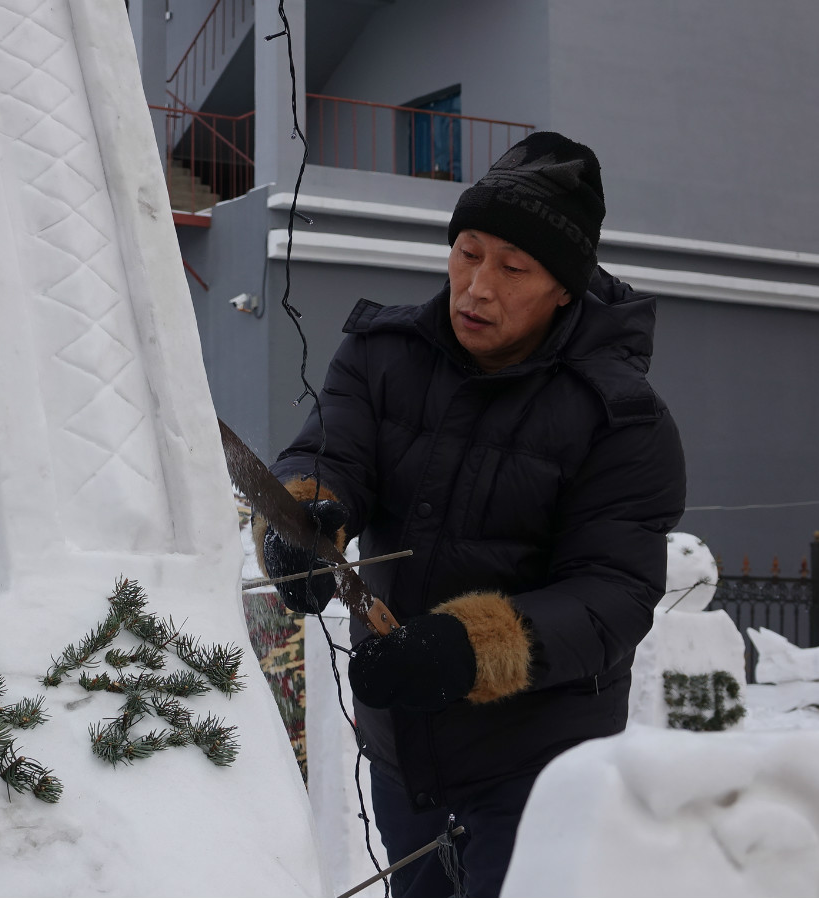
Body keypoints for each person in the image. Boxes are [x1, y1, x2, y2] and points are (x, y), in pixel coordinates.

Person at [256, 132, 686, 896]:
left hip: (539, 767)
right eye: (467, 253)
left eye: (513, 269)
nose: (477, 287)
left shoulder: (621, 419)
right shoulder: (383, 354)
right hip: (404, 754)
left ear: (564, 289)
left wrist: (471, 645)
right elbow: (330, 452)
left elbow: (612, 594)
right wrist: (303, 519)